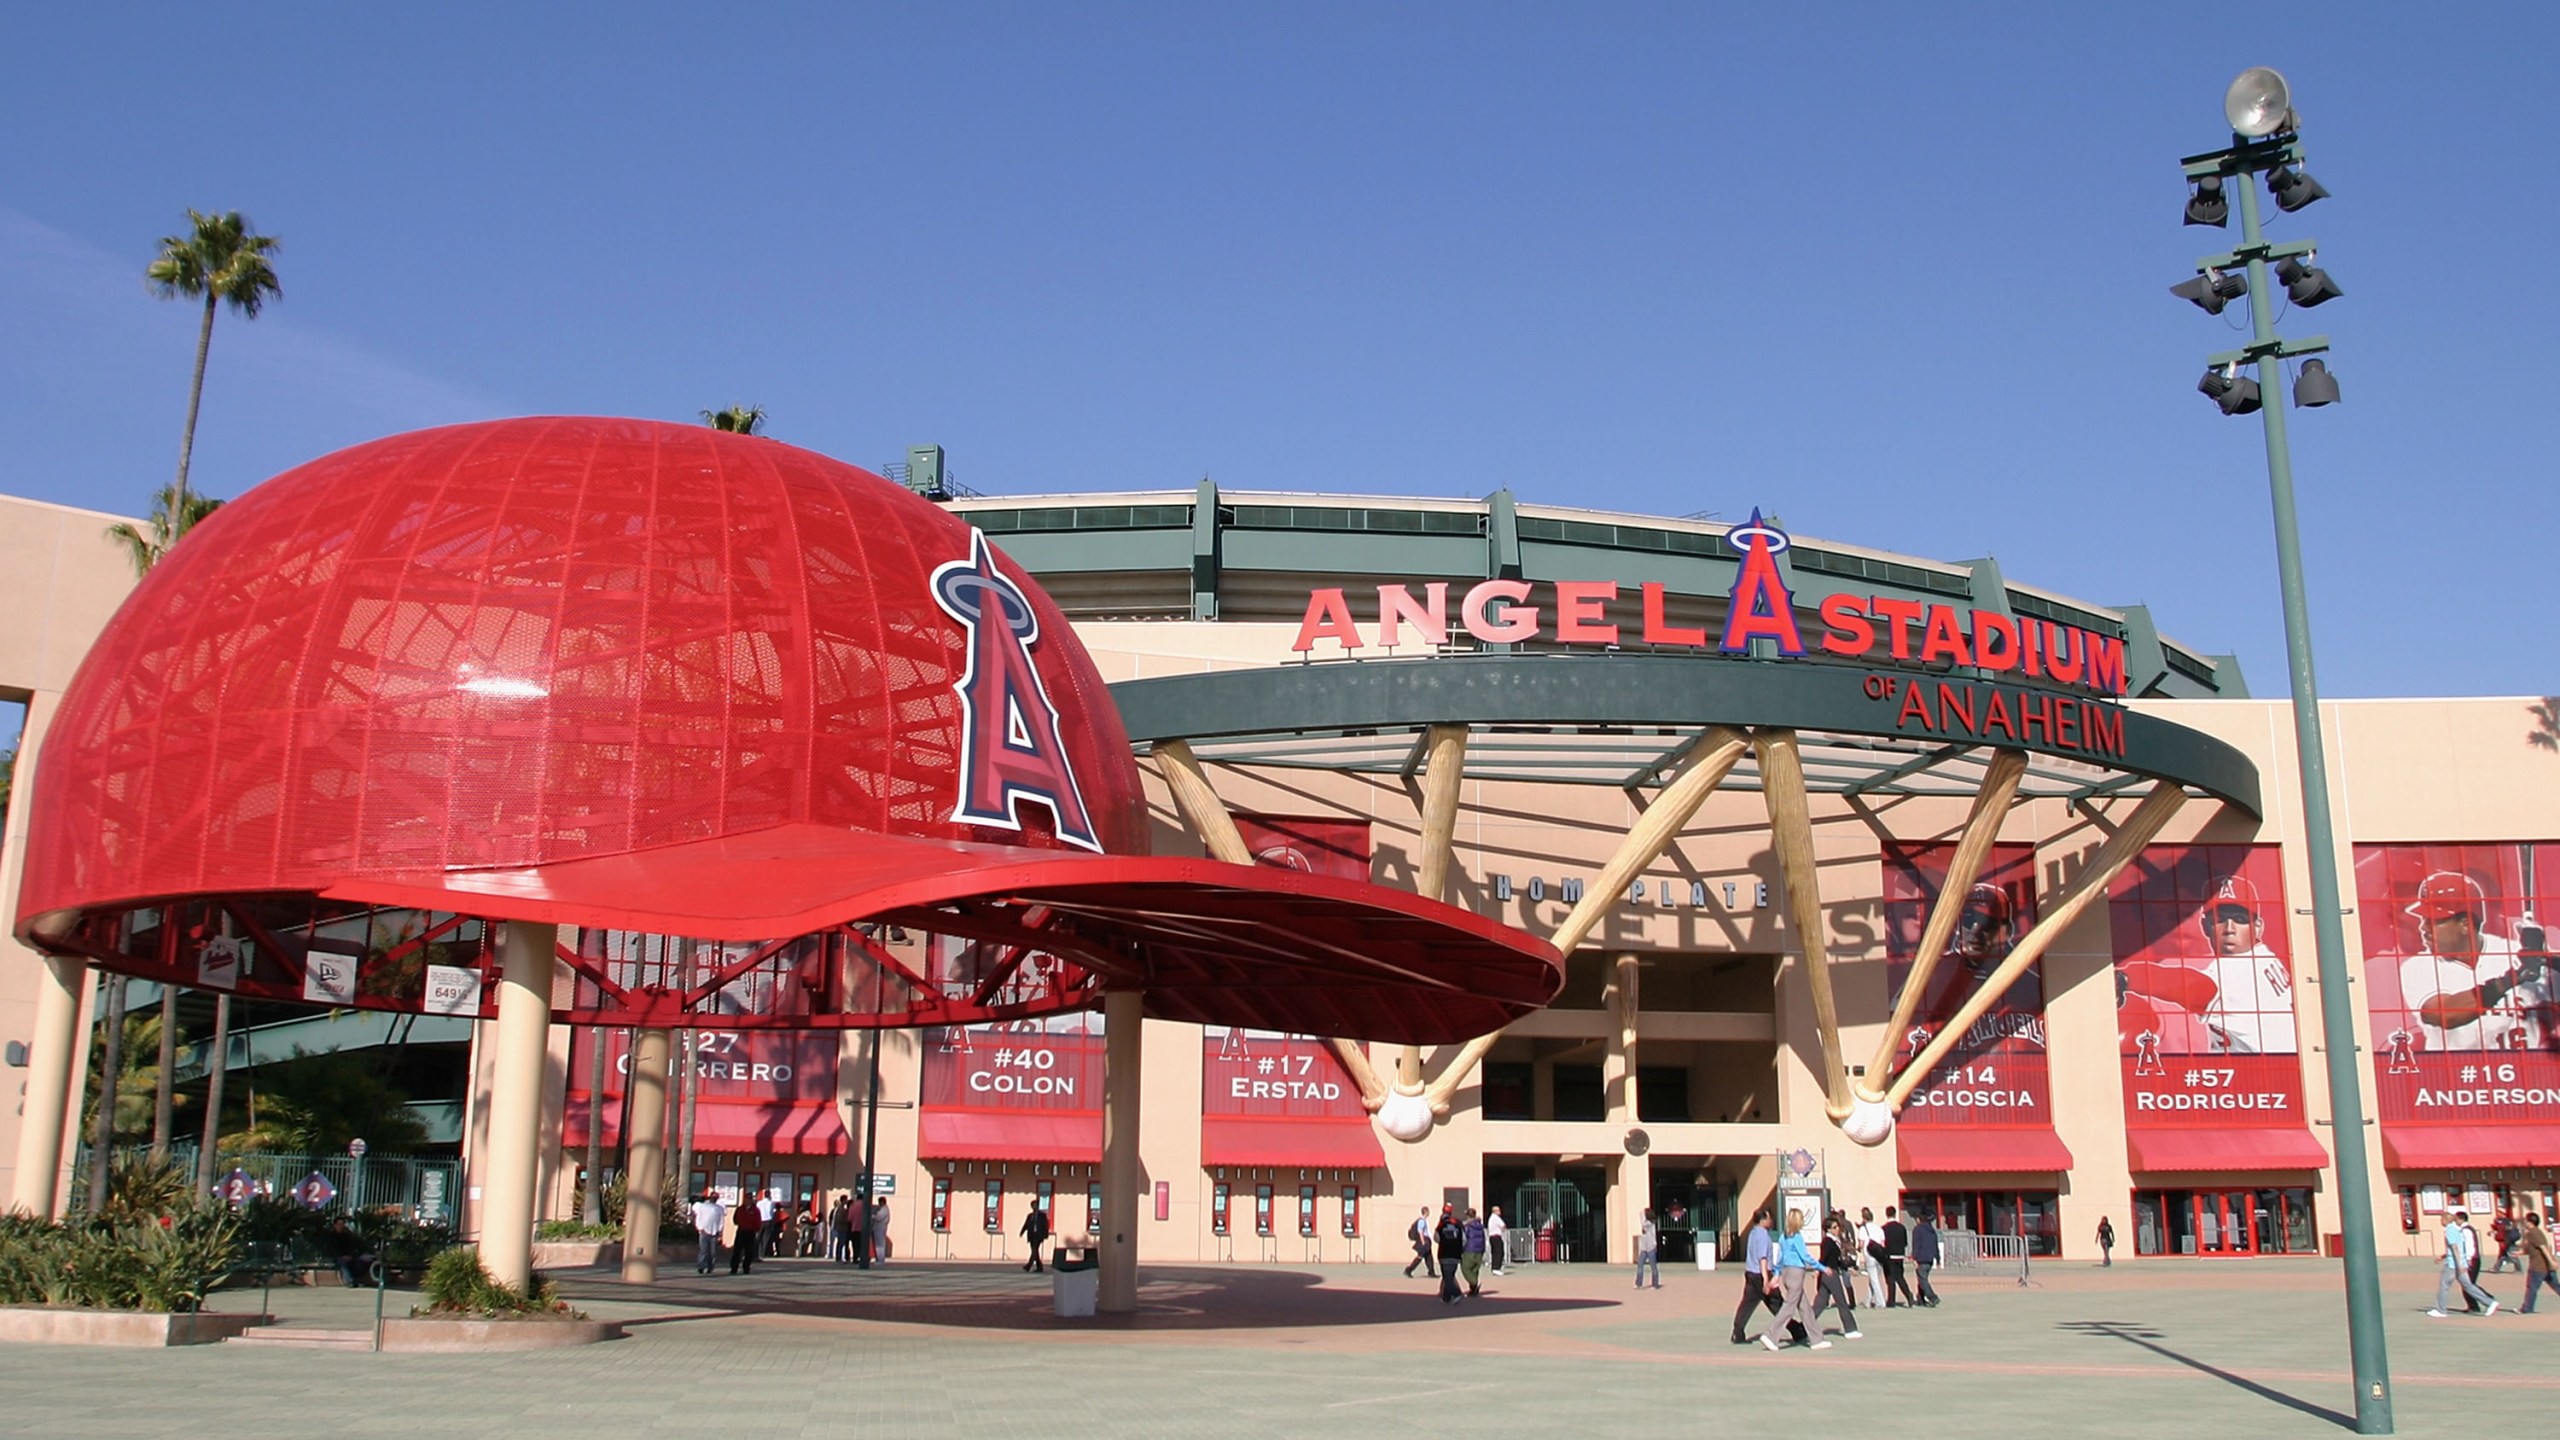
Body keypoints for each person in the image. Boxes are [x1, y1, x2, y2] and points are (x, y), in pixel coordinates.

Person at [2401, 872, 2553, 1052]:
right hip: (2457, 1074)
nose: (2423, 928)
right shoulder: (2418, 968)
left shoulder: (2516, 954)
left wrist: (2547, 959)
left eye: (2433, 920)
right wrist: (2510, 979)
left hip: (2525, 1073)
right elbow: (2446, 1015)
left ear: (2465, 924)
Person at [1730, 1206, 1805, 1347]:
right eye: (1770, 1218)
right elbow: (1762, 1258)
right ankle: (1796, 1329)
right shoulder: (1763, 1235)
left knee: (1747, 1303)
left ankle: (1737, 1331)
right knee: (1777, 1304)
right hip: (1761, 1274)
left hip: (1750, 1273)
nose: (1771, 1221)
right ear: (1763, 1219)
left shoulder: (1753, 1233)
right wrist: (1766, 1280)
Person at [1760, 1209, 1831, 1351]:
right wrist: (1822, 1268)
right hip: (1796, 1273)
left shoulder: (1783, 1237)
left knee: (1805, 1308)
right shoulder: (1797, 1237)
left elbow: (1779, 1258)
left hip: (1786, 1272)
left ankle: (1816, 1339)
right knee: (1789, 1306)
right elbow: (1805, 1257)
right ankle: (1771, 1335)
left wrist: (1777, 1274)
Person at [2431, 1210, 2498, 1318]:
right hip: (2459, 1262)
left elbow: (2455, 1248)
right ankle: (2490, 1302)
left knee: (2444, 1286)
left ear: (2445, 1220)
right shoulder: (2457, 1230)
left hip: (2453, 1264)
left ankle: (2441, 1310)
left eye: (2441, 1219)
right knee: (2468, 1286)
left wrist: (2460, 1263)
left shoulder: (2451, 1230)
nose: (2440, 1221)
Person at [1808, 1213, 1861, 1339]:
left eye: (1837, 1227)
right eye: (1835, 1227)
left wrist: (1847, 1268)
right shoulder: (1827, 1241)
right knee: (1841, 1301)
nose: (1838, 1229)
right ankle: (1850, 1329)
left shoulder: (1834, 1241)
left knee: (1820, 1303)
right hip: (1830, 1274)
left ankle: (1804, 1327)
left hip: (1830, 1272)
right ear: (1828, 1229)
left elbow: (1837, 1260)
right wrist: (1818, 1270)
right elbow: (1824, 1257)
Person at [2519, 1214, 2559, 1314]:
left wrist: (2551, 1261)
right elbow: (2531, 1248)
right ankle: (2527, 1308)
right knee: (2556, 1286)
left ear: (2530, 1222)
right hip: (2544, 1266)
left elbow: (2543, 1247)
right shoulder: (2532, 1233)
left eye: (2525, 1220)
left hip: (2538, 1266)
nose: (2524, 1222)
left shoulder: (2534, 1233)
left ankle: (2527, 1308)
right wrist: (2519, 1253)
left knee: (2532, 1288)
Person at [1880, 1206, 1915, 1307]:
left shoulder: (1884, 1228)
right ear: (1895, 1214)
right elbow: (1905, 1243)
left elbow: (1883, 1243)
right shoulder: (1901, 1227)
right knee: (1900, 1277)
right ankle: (1908, 1295)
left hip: (1889, 1256)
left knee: (1890, 1279)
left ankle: (1891, 1300)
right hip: (1900, 1255)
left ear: (1886, 1214)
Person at [1435, 1206, 1466, 1304]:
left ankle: (1456, 1293)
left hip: (1444, 1253)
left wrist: (1445, 1241)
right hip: (1456, 1254)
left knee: (1447, 1277)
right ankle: (1446, 1297)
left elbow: (1436, 1238)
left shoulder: (1441, 1225)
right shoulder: (1459, 1224)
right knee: (1450, 1275)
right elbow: (1464, 1240)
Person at [691, 1188, 726, 1275]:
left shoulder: (719, 1208)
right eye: (713, 1197)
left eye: (716, 1197)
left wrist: (720, 1231)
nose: (714, 1198)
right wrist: (699, 1227)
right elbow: (698, 1217)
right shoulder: (703, 1206)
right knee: (703, 1250)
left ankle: (710, 1267)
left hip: (714, 1232)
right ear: (710, 1197)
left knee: (713, 1252)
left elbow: (721, 1220)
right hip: (704, 1231)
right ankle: (701, 1266)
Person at [1911, 1211, 1942, 1306]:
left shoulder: (1917, 1229)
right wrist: (1938, 1258)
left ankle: (1932, 1297)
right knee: (1922, 1278)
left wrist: (1914, 1257)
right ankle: (1920, 1299)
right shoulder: (1932, 1230)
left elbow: (1916, 1244)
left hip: (1921, 1258)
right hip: (1930, 1258)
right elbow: (1935, 1245)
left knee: (1922, 1280)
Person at [1857, 1207, 1886, 1308]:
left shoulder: (1863, 1229)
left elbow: (1861, 1243)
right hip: (1879, 1255)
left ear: (1864, 1218)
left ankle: (1880, 1302)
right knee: (1873, 1278)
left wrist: (1858, 1249)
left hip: (1869, 1255)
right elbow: (1882, 1243)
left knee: (1874, 1279)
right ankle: (1867, 1301)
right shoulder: (1879, 1228)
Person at [1461, 1208, 1487, 1297]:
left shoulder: (1467, 1227)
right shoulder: (1480, 1226)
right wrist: (1483, 1250)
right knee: (1475, 1270)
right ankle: (1473, 1290)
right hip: (1479, 1251)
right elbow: (1484, 1239)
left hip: (1469, 1250)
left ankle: (1474, 1284)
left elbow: (1464, 1239)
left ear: (1468, 1216)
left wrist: (1461, 1249)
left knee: (1465, 1269)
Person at [1020, 1199, 1052, 1273]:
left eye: (1035, 1205)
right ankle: (1039, 1267)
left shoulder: (1042, 1215)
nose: (1034, 1207)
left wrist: (1045, 1234)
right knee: (1035, 1251)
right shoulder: (1030, 1216)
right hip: (1032, 1235)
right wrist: (1022, 1232)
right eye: (1033, 1206)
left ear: (1038, 1206)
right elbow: (1026, 1225)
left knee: (1034, 1250)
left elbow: (1045, 1225)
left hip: (1039, 1235)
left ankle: (1028, 1266)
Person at [1405, 1206, 1437, 1279]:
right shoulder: (1421, 1221)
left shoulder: (1423, 1220)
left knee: (1429, 1257)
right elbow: (1420, 1231)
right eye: (1428, 1212)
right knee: (1420, 1256)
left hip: (1426, 1240)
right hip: (1424, 1240)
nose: (1429, 1213)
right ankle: (1409, 1270)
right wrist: (1423, 1242)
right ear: (1425, 1212)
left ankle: (1431, 1272)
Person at [1634, 1209, 1661, 1290]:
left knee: (1653, 1266)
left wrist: (1643, 1213)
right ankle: (1638, 1283)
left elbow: (1641, 1219)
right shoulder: (1647, 1223)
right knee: (1640, 1265)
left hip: (1651, 1247)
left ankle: (1655, 1284)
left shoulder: (1649, 1223)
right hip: (1644, 1247)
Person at [829, 1194, 855, 1264]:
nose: (846, 1201)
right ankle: (839, 1257)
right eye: (846, 1200)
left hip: (840, 1228)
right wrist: (847, 1220)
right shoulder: (842, 1209)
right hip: (842, 1228)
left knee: (841, 1243)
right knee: (841, 1243)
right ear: (843, 1200)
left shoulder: (840, 1209)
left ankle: (839, 1257)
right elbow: (840, 1219)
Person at [867, 1194, 892, 1264]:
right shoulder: (883, 1209)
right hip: (878, 1228)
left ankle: (880, 1260)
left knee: (879, 1245)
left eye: (879, 1202)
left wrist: (872, 1216)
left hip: (880, 1228)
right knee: (878, 1244)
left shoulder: (884, 1209)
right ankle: (879, 1258)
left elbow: (878, 1217)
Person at [1486, 1206, 1509, 1275]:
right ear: (1495, 1211)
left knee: (1494, 1252)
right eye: (1498, 1210)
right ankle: (1497, 1268)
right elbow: (1503, 1225)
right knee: (1499, 1252)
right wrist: (1503, 1229)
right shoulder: (1496, 1218)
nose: (1500, 1212)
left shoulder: (1491, 1218)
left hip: (1492, 1237)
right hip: (1496, 1236)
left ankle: (1494, 1267)